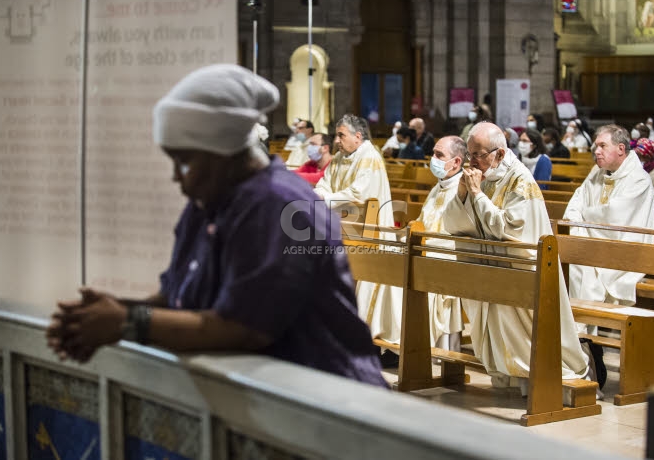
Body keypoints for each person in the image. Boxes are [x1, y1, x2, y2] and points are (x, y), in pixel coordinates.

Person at [45, 64, 388, 388]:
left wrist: (126, 322)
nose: (177, 178)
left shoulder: (280, 205)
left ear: (223, 152)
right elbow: (178, 295)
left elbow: (243, 327)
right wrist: (109, 311)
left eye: (184, 162)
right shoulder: (208, 201)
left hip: (329, 399)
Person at [441, 122, 589, 389]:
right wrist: (463, 193)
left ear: (499, 153)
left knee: (524, 334)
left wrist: (475, 193)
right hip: (491, 268)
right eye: (470, 153)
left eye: (479, 154)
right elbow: (453, 224)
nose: (473, 161)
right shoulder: (482, 175)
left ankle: (538, 381)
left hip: (521, 269)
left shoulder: (520, 180)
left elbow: (508, 229)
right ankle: (507, 377)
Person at [313, 114, 399, 366]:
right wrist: (323, 196)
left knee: (370, 290)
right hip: (346, 232)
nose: (337, 140)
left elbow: (358, 194)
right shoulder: (340, 157)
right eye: (337, 135)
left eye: (341, 135)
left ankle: (377, 346)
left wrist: (326, 200)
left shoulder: (369, 158)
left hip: (370, 233)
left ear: (358, 136)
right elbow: (322, 184)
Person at [564, 125, 654, 332]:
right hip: (593, 246)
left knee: (582, 267)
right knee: (578, 265)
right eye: (596, 146)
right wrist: (582, 223)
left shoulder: (639, 180)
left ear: (621, 149)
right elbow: (574, 206)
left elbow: (614, 218)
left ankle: (581, 333)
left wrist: (583, 219)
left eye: (602, 146)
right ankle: (579, 334)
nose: (596, 151)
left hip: (623, 252)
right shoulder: (597, 173)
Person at [416, 136, 467, 350]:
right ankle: (394, 343)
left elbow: (464, 234)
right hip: (428, 251)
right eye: (433, 154)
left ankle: (417, 346)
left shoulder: (464, 188)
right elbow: (422, 222)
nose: (433, 159)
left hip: (449, 256)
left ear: (456, 162)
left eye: (439, 155)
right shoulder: (439, 186)